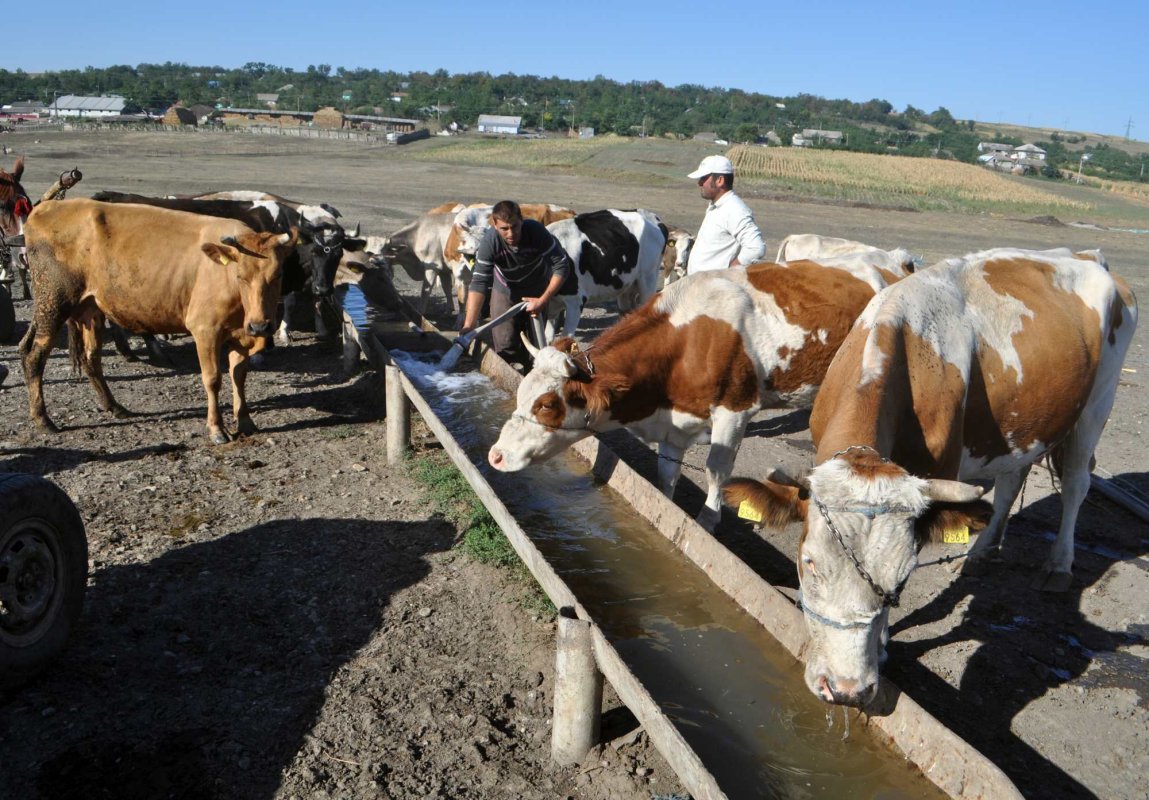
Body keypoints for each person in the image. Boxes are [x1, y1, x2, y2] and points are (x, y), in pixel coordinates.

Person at [459, 200, 574, 357]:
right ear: (494, 224)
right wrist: (469, 325)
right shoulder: (490, 242)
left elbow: (561, 266)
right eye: (504, 229)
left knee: (536, 348)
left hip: (537, 289)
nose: (511, 234)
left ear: (522, 220)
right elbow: (479, 282)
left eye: (515, 226)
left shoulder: (536, 232)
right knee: (505, 345)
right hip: (505, 289)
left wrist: (543, 300)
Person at [685, 155, 766, 275]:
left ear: (720, 180)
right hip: (701, 287)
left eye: (703, 178)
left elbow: (755, 248)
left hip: (713, 289)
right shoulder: (717, 206)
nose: (699, 183)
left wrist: (731, 271)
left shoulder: (734, 209)